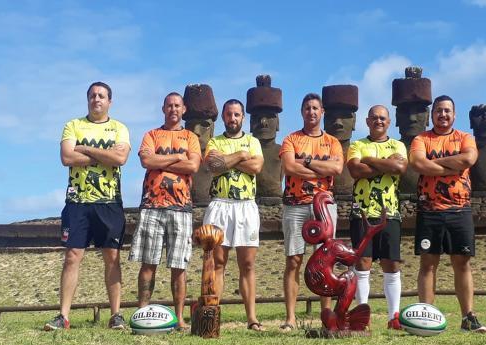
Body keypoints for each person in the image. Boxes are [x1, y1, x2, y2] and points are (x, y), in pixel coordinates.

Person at [45, 81, 131, 331]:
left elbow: (120, 158)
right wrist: (102, 154)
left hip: (109, 202)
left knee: (112, 257)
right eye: (92, 96)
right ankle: (63, 316)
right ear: (87, 100)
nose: (97, 100)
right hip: (77, 203)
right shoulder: (73, 125)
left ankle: (116, 315)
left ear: (109, 101)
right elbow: (67, 157)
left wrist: (85, 148)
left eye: (101, 96)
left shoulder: (119, 128)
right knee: (72, 256)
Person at [408, 95, 486, 333]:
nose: (443, 115)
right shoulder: (421, 138)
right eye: (438, 111)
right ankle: (426, 316)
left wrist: (437, 165)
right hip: (429, 209)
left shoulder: (465, 137)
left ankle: (468, 317)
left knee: (461, 262)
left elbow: (469, 158)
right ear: (432, 115)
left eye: (447, 111)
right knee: (428, 263)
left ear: (454, 115)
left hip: (459, 208)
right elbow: (419, 164)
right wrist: (453, 165)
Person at [129, 92, 201, 330]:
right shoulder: (151, 135)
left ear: (184, 109)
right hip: (152, 205)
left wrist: (164, 159)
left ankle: (179, 318)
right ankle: (141, 312)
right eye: (169, 106)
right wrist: (178, 156)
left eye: (177, 106)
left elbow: (193, 165)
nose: (173, 109)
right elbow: (147, 162)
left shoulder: (191, 137)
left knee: (179, 266)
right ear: (163, 109)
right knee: (148, 263)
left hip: (181, 208)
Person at [278, 93, 343, 331]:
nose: (311, 112)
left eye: (315, 108)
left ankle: (326, 315)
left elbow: (336, 168)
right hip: (295, 205)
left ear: (322, 112)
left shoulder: (333, 142)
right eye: (307, 108)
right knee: (294, 260)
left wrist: (304, 163)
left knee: (325, 262)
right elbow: (288, 167)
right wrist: (319, 169)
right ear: (302, 112)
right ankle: (290, 318)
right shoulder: (290, 139)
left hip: (324, 206)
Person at [202, 99, 265, 331]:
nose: (233, 118)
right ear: (224, 117)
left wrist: (227, 160)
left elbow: (257, 167)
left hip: (246, 206)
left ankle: (252, 318)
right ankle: (212, 315)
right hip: (220, 205)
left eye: (237, 114)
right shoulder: (214, 141)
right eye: (229, 114)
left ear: (243, 118)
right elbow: (213, 166)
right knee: (217, 262)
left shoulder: (254, 141)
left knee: (247, 264)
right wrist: (240, 155)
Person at [345, 105, 408, 329]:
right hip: (361, 212)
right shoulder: (357, 145)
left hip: (389, 212)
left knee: (391, 264)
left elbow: (400, 167)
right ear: (367, 121)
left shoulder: (398, 145)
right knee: (362, 264)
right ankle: (362, 318)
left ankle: (394, 317)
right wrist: (385, 163)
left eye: (382, 118)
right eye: (374, 118)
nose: (378, 121)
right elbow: (355, 171)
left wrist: (369, 160)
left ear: (389, 122)